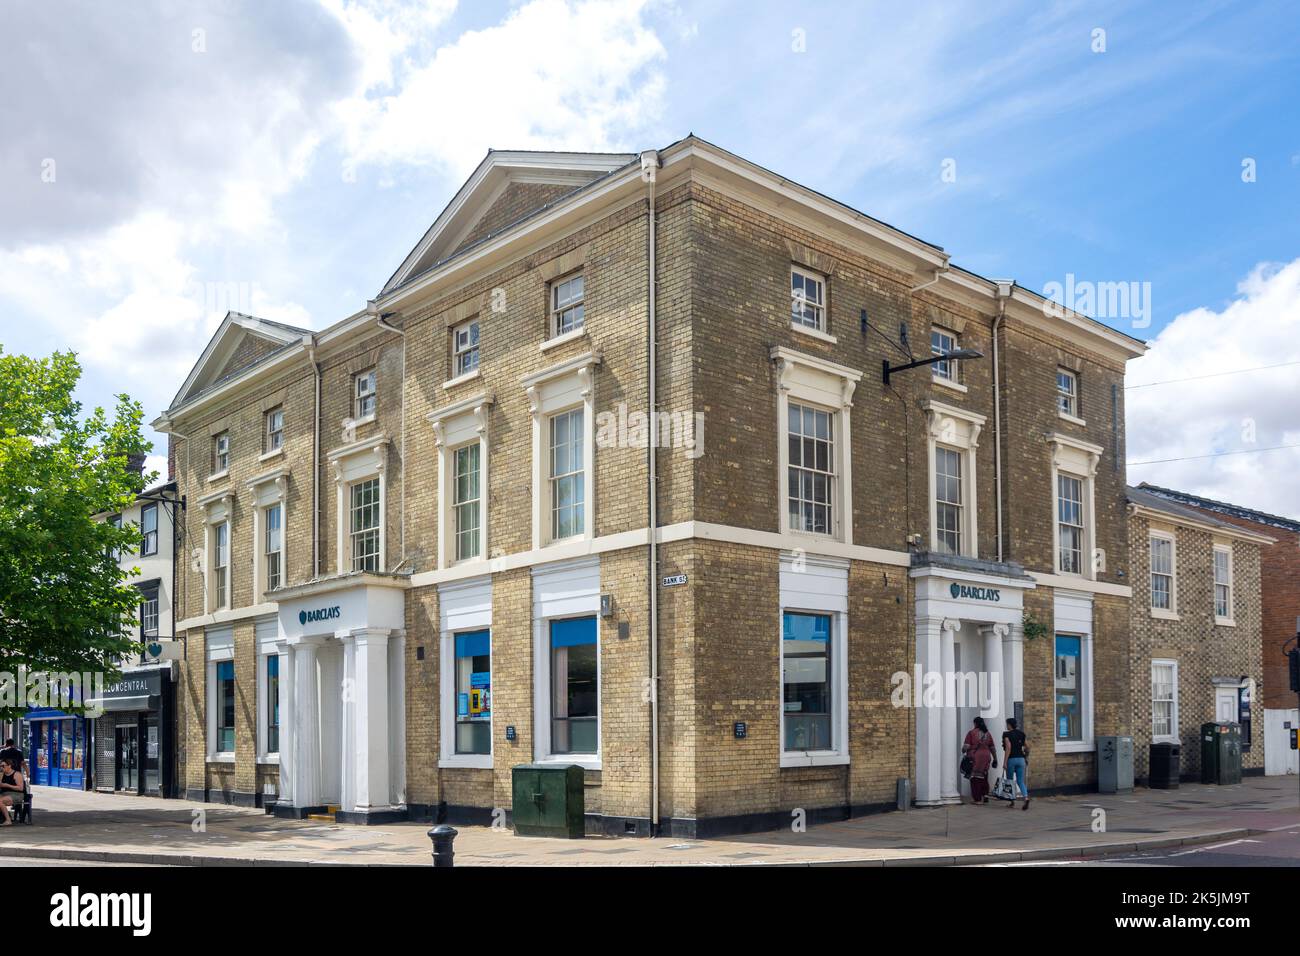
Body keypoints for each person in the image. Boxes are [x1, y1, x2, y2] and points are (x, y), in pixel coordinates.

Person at [962, 716, 997, 804]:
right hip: (986, 756)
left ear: (975, 723)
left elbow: (966, 746)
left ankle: (977, 799)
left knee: (975, 778)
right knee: (984, 776)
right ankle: (985, 794)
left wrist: (963, 750)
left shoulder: (971, 733)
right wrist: (995, 759)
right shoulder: (988, 734)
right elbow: (992, 747)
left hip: (975, 756)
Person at [1001, 717, 1030, 810]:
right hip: (1021, 759)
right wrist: (1026, 756)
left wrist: (1005, 762)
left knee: (1010, 781)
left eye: (1007, 724)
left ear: (1009, 725)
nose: (1006, 726)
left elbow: (1008, 747)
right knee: (1020, 781)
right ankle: (1026, 797)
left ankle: (1012, 802)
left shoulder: (1006, 734)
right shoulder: (1021, 734)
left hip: (1011, 760)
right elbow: (1027, 747)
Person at [0, 757, 25, 825]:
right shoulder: (2, 774)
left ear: (9, 766)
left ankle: (8, 820)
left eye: (3, 766)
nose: (1, 767)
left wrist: (7, 785)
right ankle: (4, 818)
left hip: (16, 794)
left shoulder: (17, 774)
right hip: (4, 794)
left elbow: (20, 788)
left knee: (0, 801)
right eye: (0, 766)